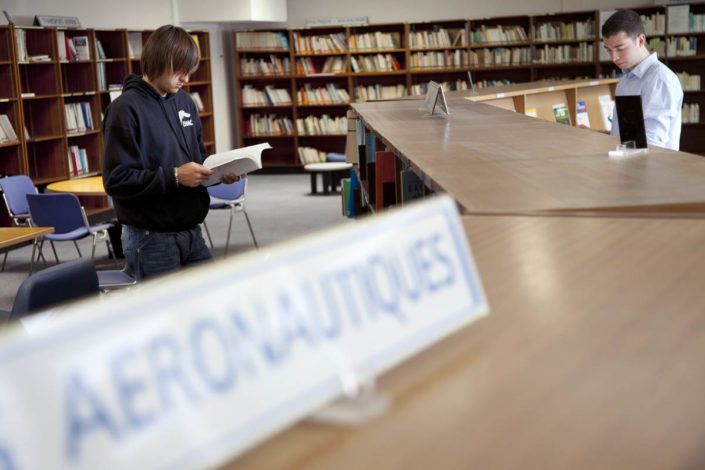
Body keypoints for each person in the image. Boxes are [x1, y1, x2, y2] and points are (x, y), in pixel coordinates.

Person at [102, 25, 238, 280]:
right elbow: (116, 180)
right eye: (179, 70)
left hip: (191, 230)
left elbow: (197, 159)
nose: (185, 78)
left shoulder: (185, 101)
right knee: (165, 317)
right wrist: (175, 176)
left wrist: (218, 173)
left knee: (211, 302)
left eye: (188, 71)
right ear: (157, 61)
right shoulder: (124, 109)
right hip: (150, 237)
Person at [601, 9, 683, 150]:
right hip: (628, 165)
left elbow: (652, 144)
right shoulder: (625, 81)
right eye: (608, 50)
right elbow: (629, 137)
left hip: (650, 168)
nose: (613, 57)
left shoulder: (659, 80)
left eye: (620, 48)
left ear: (640, 40)